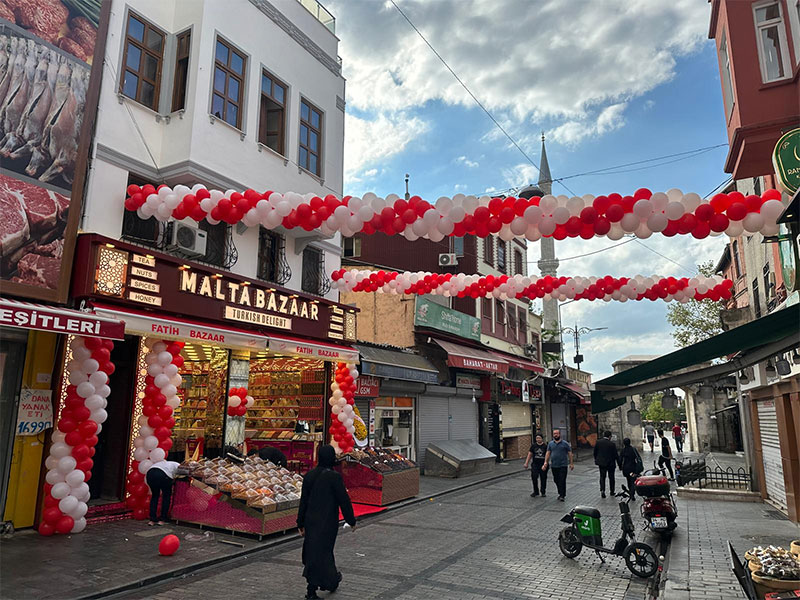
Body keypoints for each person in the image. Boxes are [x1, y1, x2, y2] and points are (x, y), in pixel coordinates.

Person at [297, 445, 356, 600]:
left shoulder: (309, 476)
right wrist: (351, 520)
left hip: (311, 521)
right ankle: (325, 583)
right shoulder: (334, 477)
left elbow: (303, 501)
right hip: (328, 522)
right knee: (324, 552)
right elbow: (344, 500)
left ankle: (320, 584)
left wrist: (300, 523)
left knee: (313, 552)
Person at [146, 459, 181, 526]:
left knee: (155, 496)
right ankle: (162, 519)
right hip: (163, 475)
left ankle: (152, 519)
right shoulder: (177, 465)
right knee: (166, 497)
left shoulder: (165, 463)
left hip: (150, 474)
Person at [543, 428, 573, 501]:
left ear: (560, 434)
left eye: (557, 433)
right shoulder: (550, 444)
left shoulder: (565, 444)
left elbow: (570, 453)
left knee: (562, 480)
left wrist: (571, 463)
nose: (555, 435)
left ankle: (562, 495)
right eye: (554, 434)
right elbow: (548, 453)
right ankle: (560, 492)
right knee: (556, 480)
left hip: (563, 465)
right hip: (554, 465)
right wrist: (546, 462)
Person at [593, 430, 619, 498]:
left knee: (602, 477)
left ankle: (602, 490)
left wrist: (596, 459)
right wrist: (619, 464)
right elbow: (616, 455)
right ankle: (612, 491)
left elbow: (595, 452)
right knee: (611, 478)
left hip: (601, 463)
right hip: (611, 463)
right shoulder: (612, 444)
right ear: (610, 436)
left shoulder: (598, 442)